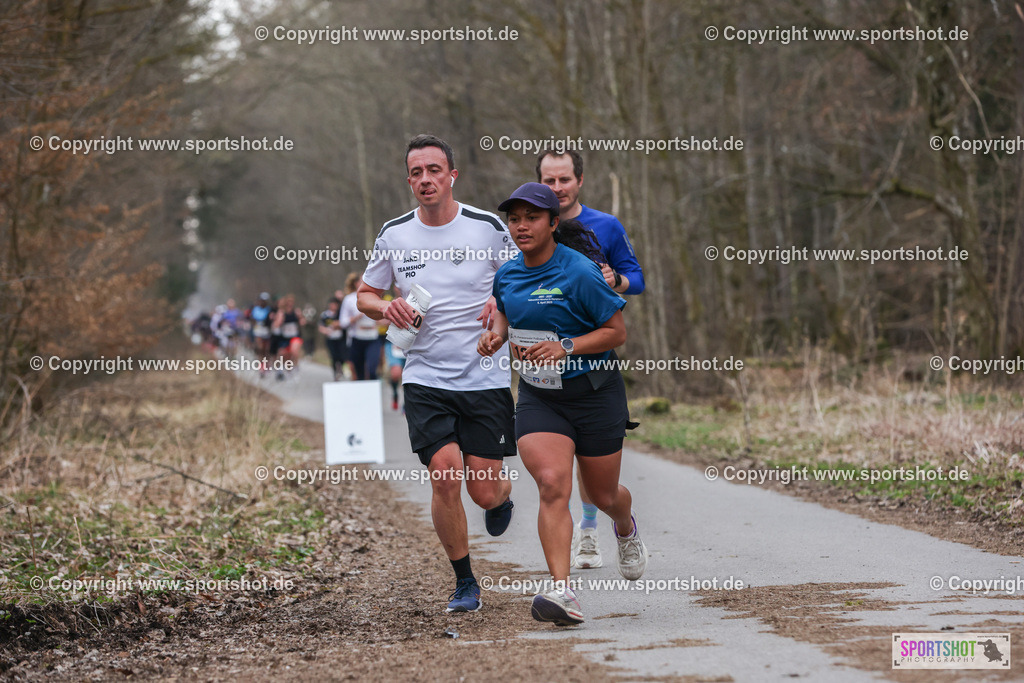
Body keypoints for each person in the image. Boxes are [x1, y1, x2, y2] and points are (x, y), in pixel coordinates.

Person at [357, 134, 517, 614]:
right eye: (416, 172)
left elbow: (525, 277)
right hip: (425, 376)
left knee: (482, 488)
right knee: (445, 478)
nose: (425, 179)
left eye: (434, 170)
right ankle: (465, 581)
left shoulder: (487, 227)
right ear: (408, 180)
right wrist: (389, 307)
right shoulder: (394, 233)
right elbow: (364, 295)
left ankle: (500, 497)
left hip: (485, 374)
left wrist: (501, 301)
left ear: (452, 175)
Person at [479, 182, 648, 626]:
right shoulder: (508, 273)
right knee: (553, 483)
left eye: (532, 218)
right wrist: (496, 334)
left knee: (602, 494)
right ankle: (562, 589)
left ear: (554, 222)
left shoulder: (579, 272)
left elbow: (616, 332)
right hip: (540, 396)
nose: (521, 226)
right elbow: (504, 309)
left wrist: (566, 346)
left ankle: (626, 526)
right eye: (514, 219)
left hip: (595, 393)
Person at [538, 150, 646, 570]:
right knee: (559, 462)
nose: (557, 189)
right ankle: (585, 532)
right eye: (549, 181)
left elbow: (635, 278)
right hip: (547, 368)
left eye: (564, 180)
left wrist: (614, 279)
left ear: (579, 181)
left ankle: (611, 522)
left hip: (599, 343)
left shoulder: (606, 226)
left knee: (596, 467)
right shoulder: (531, 229)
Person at [341, 272, 383, 380]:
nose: (364, 283)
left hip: (373, 338)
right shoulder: (349, 299)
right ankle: (363, 395)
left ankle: (374, 393)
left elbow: (382, 318)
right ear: (355, 283)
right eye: (361, 281)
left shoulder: (376, 298)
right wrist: (356, 317)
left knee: (372, 369)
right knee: (359, 373)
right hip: (356, 339)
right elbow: (343, 322)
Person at [271, 295, 305, 380]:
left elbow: (302, 322)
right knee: (284, 355)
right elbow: (276, 325)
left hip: (295, 336)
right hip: (284, 337)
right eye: (288, 302)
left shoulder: (296, 312)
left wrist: (301, 318)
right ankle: (288, 369)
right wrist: (279, 320)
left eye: (291, 302)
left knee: (294, 352)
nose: (290, 304)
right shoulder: (281, 312)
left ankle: (296, 368)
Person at [319, 297, 347, 381]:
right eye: (332, 304)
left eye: (335, 304)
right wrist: (325, 331)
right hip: (330, 339)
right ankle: (335, 373)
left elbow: (344, 323)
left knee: (342, 355)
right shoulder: (325, 315)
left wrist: (336, 325)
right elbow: (321, 326)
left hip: (340, 338)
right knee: (333, 356)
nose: (333, 306)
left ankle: (341, 367)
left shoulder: (341, 314)